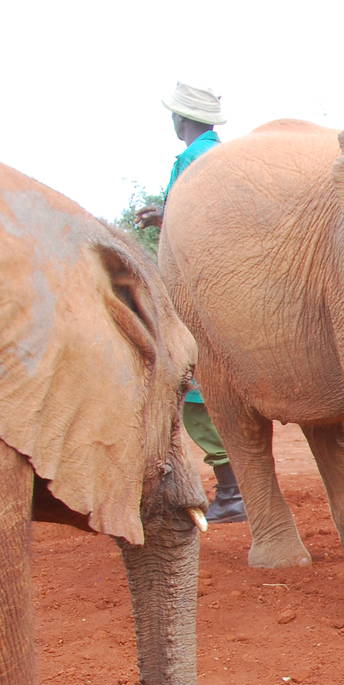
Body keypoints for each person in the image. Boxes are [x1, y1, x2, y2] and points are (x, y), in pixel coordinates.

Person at [135, 83, 245, 524]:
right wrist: (166, 215)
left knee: (197, 388)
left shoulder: (189, 160)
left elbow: (197, 225)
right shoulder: (226, 156)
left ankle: (234, 492)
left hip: (200, 286)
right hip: (235, 284)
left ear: (179, 120)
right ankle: (240, 489)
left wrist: (168, 218)